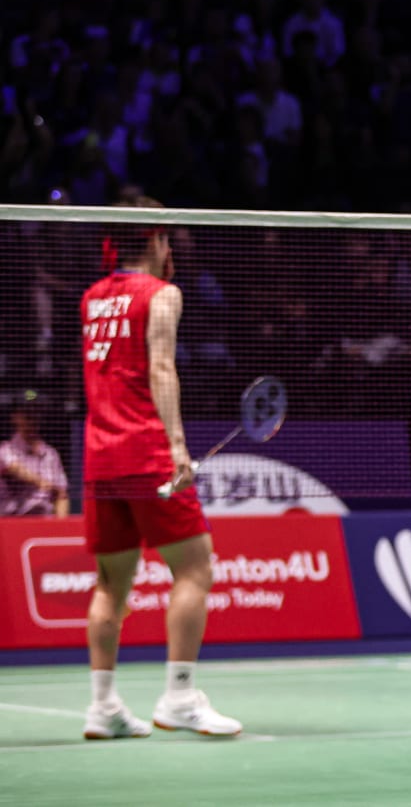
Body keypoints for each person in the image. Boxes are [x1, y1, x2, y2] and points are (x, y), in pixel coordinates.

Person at [79, 196, 242, 740]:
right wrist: (177, 448)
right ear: (155, 239)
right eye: (167, 236)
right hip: (147, 452)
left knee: (110, 584)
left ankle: (103, 707)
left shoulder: (90, 298)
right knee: (195, 569)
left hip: (100, 457)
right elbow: (161, 368)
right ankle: (180, 697)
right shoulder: (162, 293)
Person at [0, 394, 69, 517]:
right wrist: (40, 481)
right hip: (13, 519)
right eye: (26, 412)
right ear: (14, 418)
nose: (32, 417)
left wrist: (62, 524)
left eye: (36, 412)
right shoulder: (5, 449)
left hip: (44, 519)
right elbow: (13, 468)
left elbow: (61, 494)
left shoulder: (51, 455)